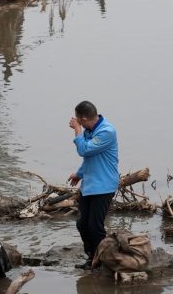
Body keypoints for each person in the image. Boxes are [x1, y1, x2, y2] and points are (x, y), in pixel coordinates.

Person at [67, 100, 119, 270]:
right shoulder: (90, 130)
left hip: (103, 186)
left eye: (78, 121)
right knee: (82, 224)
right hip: (89, 185)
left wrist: (77, 131)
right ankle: (92, 257)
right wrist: (79, 174)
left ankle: (101, 261)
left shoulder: (106, 131)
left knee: (95, 227)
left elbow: (84, 150)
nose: (77, 123)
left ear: (83, 119)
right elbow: (90, 158)